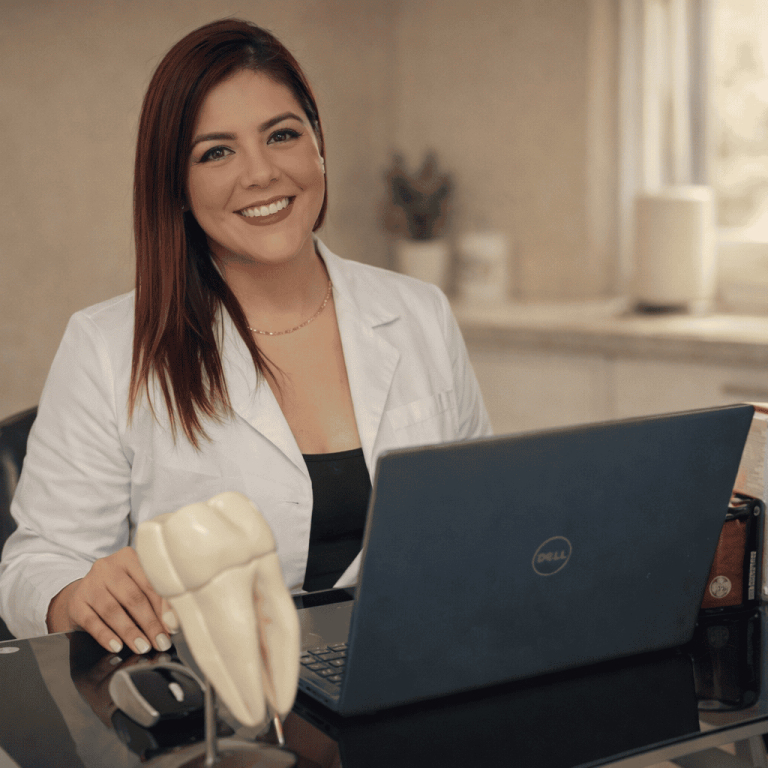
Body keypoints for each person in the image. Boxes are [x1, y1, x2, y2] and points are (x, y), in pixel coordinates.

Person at [0, 19, 491, 654]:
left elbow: (484, 517)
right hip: (209, 710)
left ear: (318, 147)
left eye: (282, 135)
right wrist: (74, 594)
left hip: (411, 671)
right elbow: (33, 566)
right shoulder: (106, 346)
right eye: (216, 152)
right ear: (177, 186)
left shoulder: (420, 312)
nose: (260, 174)